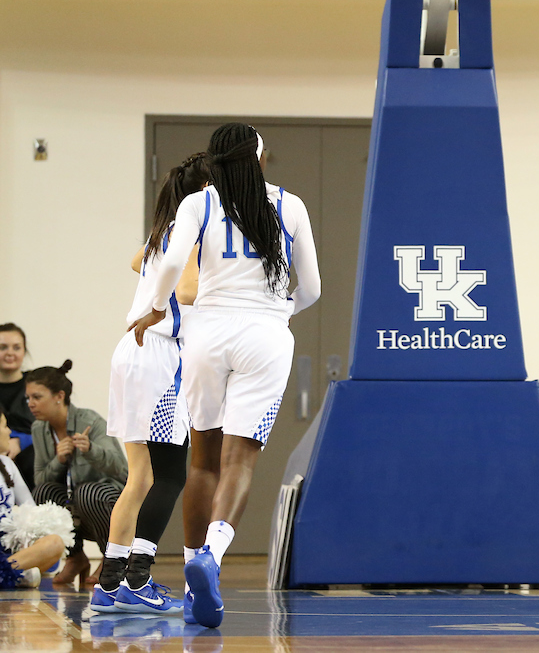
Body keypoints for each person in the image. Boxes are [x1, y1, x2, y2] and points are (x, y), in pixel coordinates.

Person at [131, 123, 320, 628]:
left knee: (201, 462)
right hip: (266, 336)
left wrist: (153, 309)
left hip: (207, 334)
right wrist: (279, 315)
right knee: (240, 460)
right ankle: (213, 556)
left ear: (213, 161)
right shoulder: (291, 203)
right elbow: (314, 288)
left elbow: (171, 265)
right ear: (260, 159)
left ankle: (193, 572)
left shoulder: (200, 203)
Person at [90, 153, 208, 616]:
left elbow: (137, 260)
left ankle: (110, 584)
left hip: (132, 354)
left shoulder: (164, 232)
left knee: (139, 477)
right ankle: (138, 581)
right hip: (161, 359)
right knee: (168, 475)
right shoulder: (195, 235)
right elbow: (188, 291)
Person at [27, 361, 128, 587]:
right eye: (28, 398)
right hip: (76, 507)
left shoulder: (90, 421)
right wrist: (58, 461)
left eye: (37, 397)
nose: (31, 404)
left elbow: (122, 471)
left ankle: (112, 558)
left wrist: (91, 450)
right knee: (43, 492)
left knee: (87, 492)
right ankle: (76, 557)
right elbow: (40, 480)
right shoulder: (39, 429)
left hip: (106, 502)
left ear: (59, 396)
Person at [0, 450, 76, 589]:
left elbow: (30, 509)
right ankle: (15, 575)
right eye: (5, 427)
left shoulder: (7, 463)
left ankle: (8, 574)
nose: (9, 432)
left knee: (55, 543)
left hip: (7, 546)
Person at [0, 324, 37, 487]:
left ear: (24, 351)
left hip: (31, 453)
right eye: (2, 347)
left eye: (16, 347)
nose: (10, 353)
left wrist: (20, 441)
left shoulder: (37, 383)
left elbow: (51, 427)